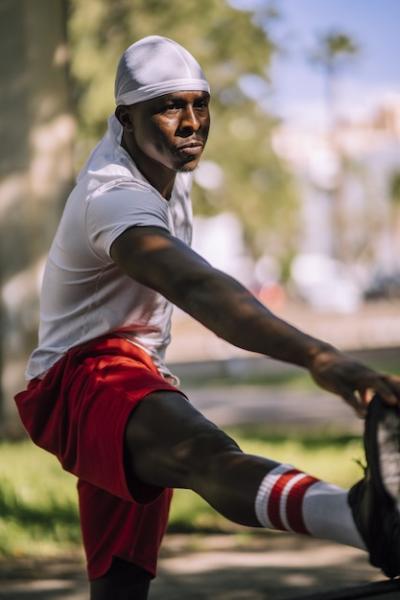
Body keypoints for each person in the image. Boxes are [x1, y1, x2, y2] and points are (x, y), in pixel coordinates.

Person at [15, 35, 400, 599]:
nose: (192, 121)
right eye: (170, 106)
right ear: (126, 118)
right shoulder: (114, 197)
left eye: (201, 103)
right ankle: (363, 518)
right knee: (205, 454)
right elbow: (196, 285)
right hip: (80, 380)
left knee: (121, 581)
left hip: (134, 374)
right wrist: (323, 359)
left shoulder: (167, 172)